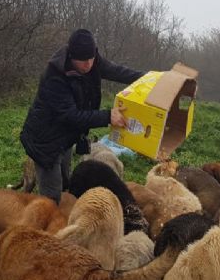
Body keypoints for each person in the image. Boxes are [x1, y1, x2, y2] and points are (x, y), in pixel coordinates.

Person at [19, 29, 145, 203]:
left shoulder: (93, 60)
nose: (88, 65)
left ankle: (62, 215)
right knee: (51, 196)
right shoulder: (54, 77)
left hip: (66, 137)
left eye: (91, 59)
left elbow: (118, 72)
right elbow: (72, 116)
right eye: (83, 61)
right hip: (45, 141)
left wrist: (151, 78)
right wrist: (108, 116)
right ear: (71, 56)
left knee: (65, 182)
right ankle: (47, 222)